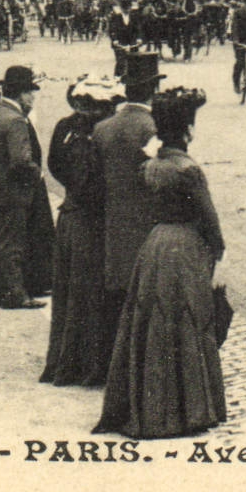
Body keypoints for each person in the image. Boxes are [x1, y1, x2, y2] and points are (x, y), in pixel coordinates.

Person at [94, 87, 225, 439]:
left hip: (154, 246)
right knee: (187, 318)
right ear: (187, 131)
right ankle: (188, 408)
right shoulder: (188, 169)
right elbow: (209, 219)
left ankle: (152, 403)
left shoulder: (151, 166)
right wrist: (219, 252)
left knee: (151, 321)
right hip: (184, 246)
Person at [41, 77, 122, 387]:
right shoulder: (100, 133)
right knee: (92, 293)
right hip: (93, 223)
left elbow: (54, 165)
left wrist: (72, 191)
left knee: (69, 292)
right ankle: (92, 364)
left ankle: (67, 360)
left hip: (70, 217)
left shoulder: (65, 128)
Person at [97, 50, 163, 367]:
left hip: (113, 219)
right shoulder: (153, 129)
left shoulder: (104, 127)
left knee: (117, 288)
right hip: (147, 221)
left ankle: (114, 359)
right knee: (147, 292)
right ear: (153, 89)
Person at [0, 65, 52, 309]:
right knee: (13, 244)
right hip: (12, 191)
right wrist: (37, 173)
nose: (33, 97)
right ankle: (15, 294)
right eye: (31, 92)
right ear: (21, 94)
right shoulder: (16, 120)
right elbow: (20, 160)